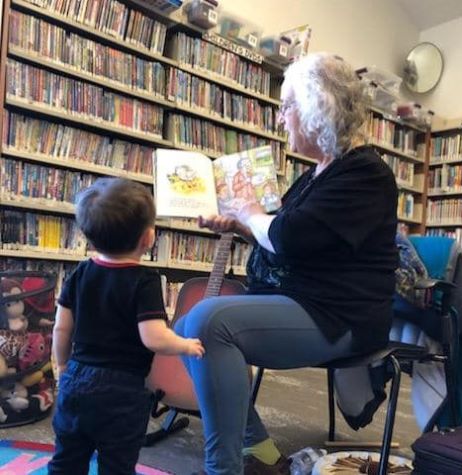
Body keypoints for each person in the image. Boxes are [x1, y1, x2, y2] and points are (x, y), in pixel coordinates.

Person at [175, 53, 399, 475]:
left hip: (338, 316)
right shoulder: (317, 174)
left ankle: (222, 468)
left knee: (207, 322)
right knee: (185, 329)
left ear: (318, 109)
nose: (280, 119)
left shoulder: (366, 174)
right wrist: (242, 225)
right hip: (303, 304)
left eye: (286, 106)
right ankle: (259, 452)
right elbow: (288, 237)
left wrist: (249, 212)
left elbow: (288, 237)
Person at [48, 178, 204, 475]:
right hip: (121, 390)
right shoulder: (144, 281)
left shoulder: (81, 272)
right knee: (117, 464)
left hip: (76, 380)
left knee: (66, 459)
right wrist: (185, 345)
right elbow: (153, 337)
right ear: (148, 238)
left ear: (89, 238)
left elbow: (61, 328)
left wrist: (63, 367)